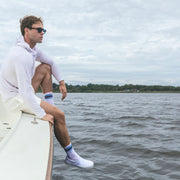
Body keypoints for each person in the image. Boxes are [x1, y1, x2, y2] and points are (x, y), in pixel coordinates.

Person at [0, 15, 94, 168]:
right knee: (59, 116)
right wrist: (42, 114)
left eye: (44, 30)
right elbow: (25, 94)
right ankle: (71, 156)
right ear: (26, 31)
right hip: (14, 99)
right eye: (39, 30)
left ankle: (50, 103)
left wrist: (62, 82)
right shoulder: (21, 56)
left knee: (45, 67)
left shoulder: (32, 50)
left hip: (21, 91)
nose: (43, 33)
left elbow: (51, 62)